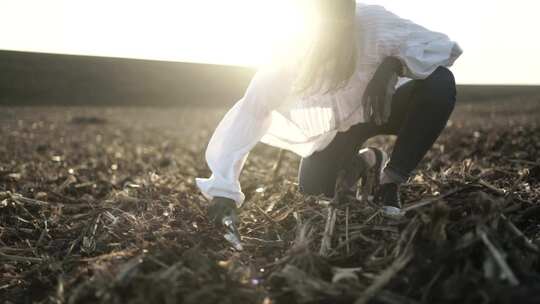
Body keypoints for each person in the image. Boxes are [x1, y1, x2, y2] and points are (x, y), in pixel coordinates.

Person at [196, 1, 462, 232]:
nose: (338, 33)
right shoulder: (287, 56)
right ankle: (368, 161)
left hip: (384, 107)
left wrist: (395, 65)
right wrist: (224, 190)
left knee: (439, 83)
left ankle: (390, 181)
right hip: (338, 129)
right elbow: (250, 112)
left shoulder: (373, 21)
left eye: (344, 24)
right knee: (314, 191)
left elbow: (443, 48)